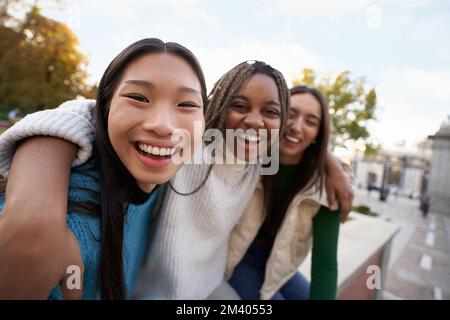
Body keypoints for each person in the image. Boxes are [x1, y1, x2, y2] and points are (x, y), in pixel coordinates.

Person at [0, 62, 352, 299]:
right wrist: (36, 194)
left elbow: (297, 145)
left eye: (270, 112)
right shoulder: (191, 145)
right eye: (239, 105)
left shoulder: (262, 160)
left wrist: (329, 161)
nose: (255, 121)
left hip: (210, 285)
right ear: (218, 104)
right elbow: (91, 111)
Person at [0, 38, 208, 299]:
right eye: (138, 97)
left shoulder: (173, 170)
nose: (163, 125)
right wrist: (31, 220)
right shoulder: (69, 230)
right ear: (105, 107)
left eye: (187, 104)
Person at [226, 85, 348, 300]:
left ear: (318, 134)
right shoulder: (249, 154)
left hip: (280, 264)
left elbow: (325, 263)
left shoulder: (325, 183)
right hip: (240, 257)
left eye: (311, 122)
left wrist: (331, 163)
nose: (296, 127)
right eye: (290, 114)